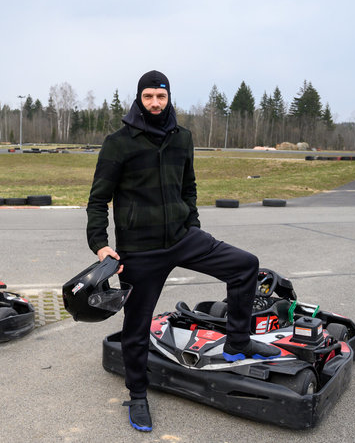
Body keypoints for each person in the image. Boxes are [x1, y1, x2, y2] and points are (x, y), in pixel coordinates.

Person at [86, 70, 281, 432]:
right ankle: (138, 395)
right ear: (139, 99)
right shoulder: (119, 142)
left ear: (169, 97)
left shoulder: (182, 138)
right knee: (136, 327)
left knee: (245, 266)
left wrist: (192, 224)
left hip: (183, 237)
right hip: (140, 250)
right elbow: (98, 200)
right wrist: (100, 245)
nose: (155, 103)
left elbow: (188, 187)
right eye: (148, 97)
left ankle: (238, 344)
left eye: (161, 97)